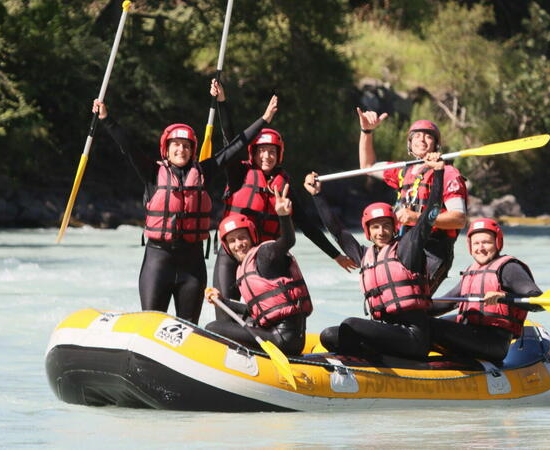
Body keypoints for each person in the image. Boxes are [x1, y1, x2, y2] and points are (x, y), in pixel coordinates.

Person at [91, 88, 277, 325]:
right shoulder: (152, 173)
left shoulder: (204, 172)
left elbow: (234, 148)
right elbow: (129, 147)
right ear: (166, 149)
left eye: (186, 146)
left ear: (193, 150)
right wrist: (106, 119)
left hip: (193, 265)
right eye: (176, 145)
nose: (181, 150)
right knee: (151, 324)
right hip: (158, 262)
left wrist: (262, 120)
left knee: (188, 328)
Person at [211, 83, 356, 318]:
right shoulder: (239, 174)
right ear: (253, 153)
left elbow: (307, 226)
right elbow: (231, 140)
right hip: (232, 251)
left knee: (260, 311)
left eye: (272, 151)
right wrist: (222, 103)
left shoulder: (284, 186)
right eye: (261, 151)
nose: (266, 156)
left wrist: (335, 255)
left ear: (279, 155)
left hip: (263, 259)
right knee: (225, 308)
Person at [304, 153, 446, 360]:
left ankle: (373, 361)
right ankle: (369, 360)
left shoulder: (408, 247)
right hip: (386, 333)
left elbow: (430, 215)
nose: (381, 232)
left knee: (351, 325)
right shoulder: (365, 255)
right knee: (329, 335)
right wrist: (317, 195)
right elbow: (338, 232)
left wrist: (439, 172)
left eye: (386, 226)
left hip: (413, 337)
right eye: (375, 227)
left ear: (394, 228)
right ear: (368, 231)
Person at [356, 109, 468, 292]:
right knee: (393, 295)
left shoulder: (448, 173)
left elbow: (459, 219)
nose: (422, 140)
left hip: (433, 250)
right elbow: (367, 167)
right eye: (417, 136)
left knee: (412, 297)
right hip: (405, 246)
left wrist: (416, 218)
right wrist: (366, 132)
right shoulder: (403, 171)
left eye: (428, 137)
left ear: (436, 145)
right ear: (410, 143)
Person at [204, 185, 311, 355]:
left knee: (213, 327)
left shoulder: (264, 254)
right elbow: (254, 309)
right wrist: (221, 301)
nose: (238, 244)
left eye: (242, 238)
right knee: (235, 321)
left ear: (251, 237)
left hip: (283, 339)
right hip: (278, 334)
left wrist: (283, 216)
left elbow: (287, 241)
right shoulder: (245, 268)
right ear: (227, 247)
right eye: (232, 241)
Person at [429, 218, 543, 362]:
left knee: (430, 327)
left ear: (497, 243)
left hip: (494, 342)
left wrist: (504, 296)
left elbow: (537, 301)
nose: (480, 248)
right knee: (423, 322)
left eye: (487, 242)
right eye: (476, 243)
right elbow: (445, 303)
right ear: (470, 246)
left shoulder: (509, 268)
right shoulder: (472, 270)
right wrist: (411, 306)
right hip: (471, 333)